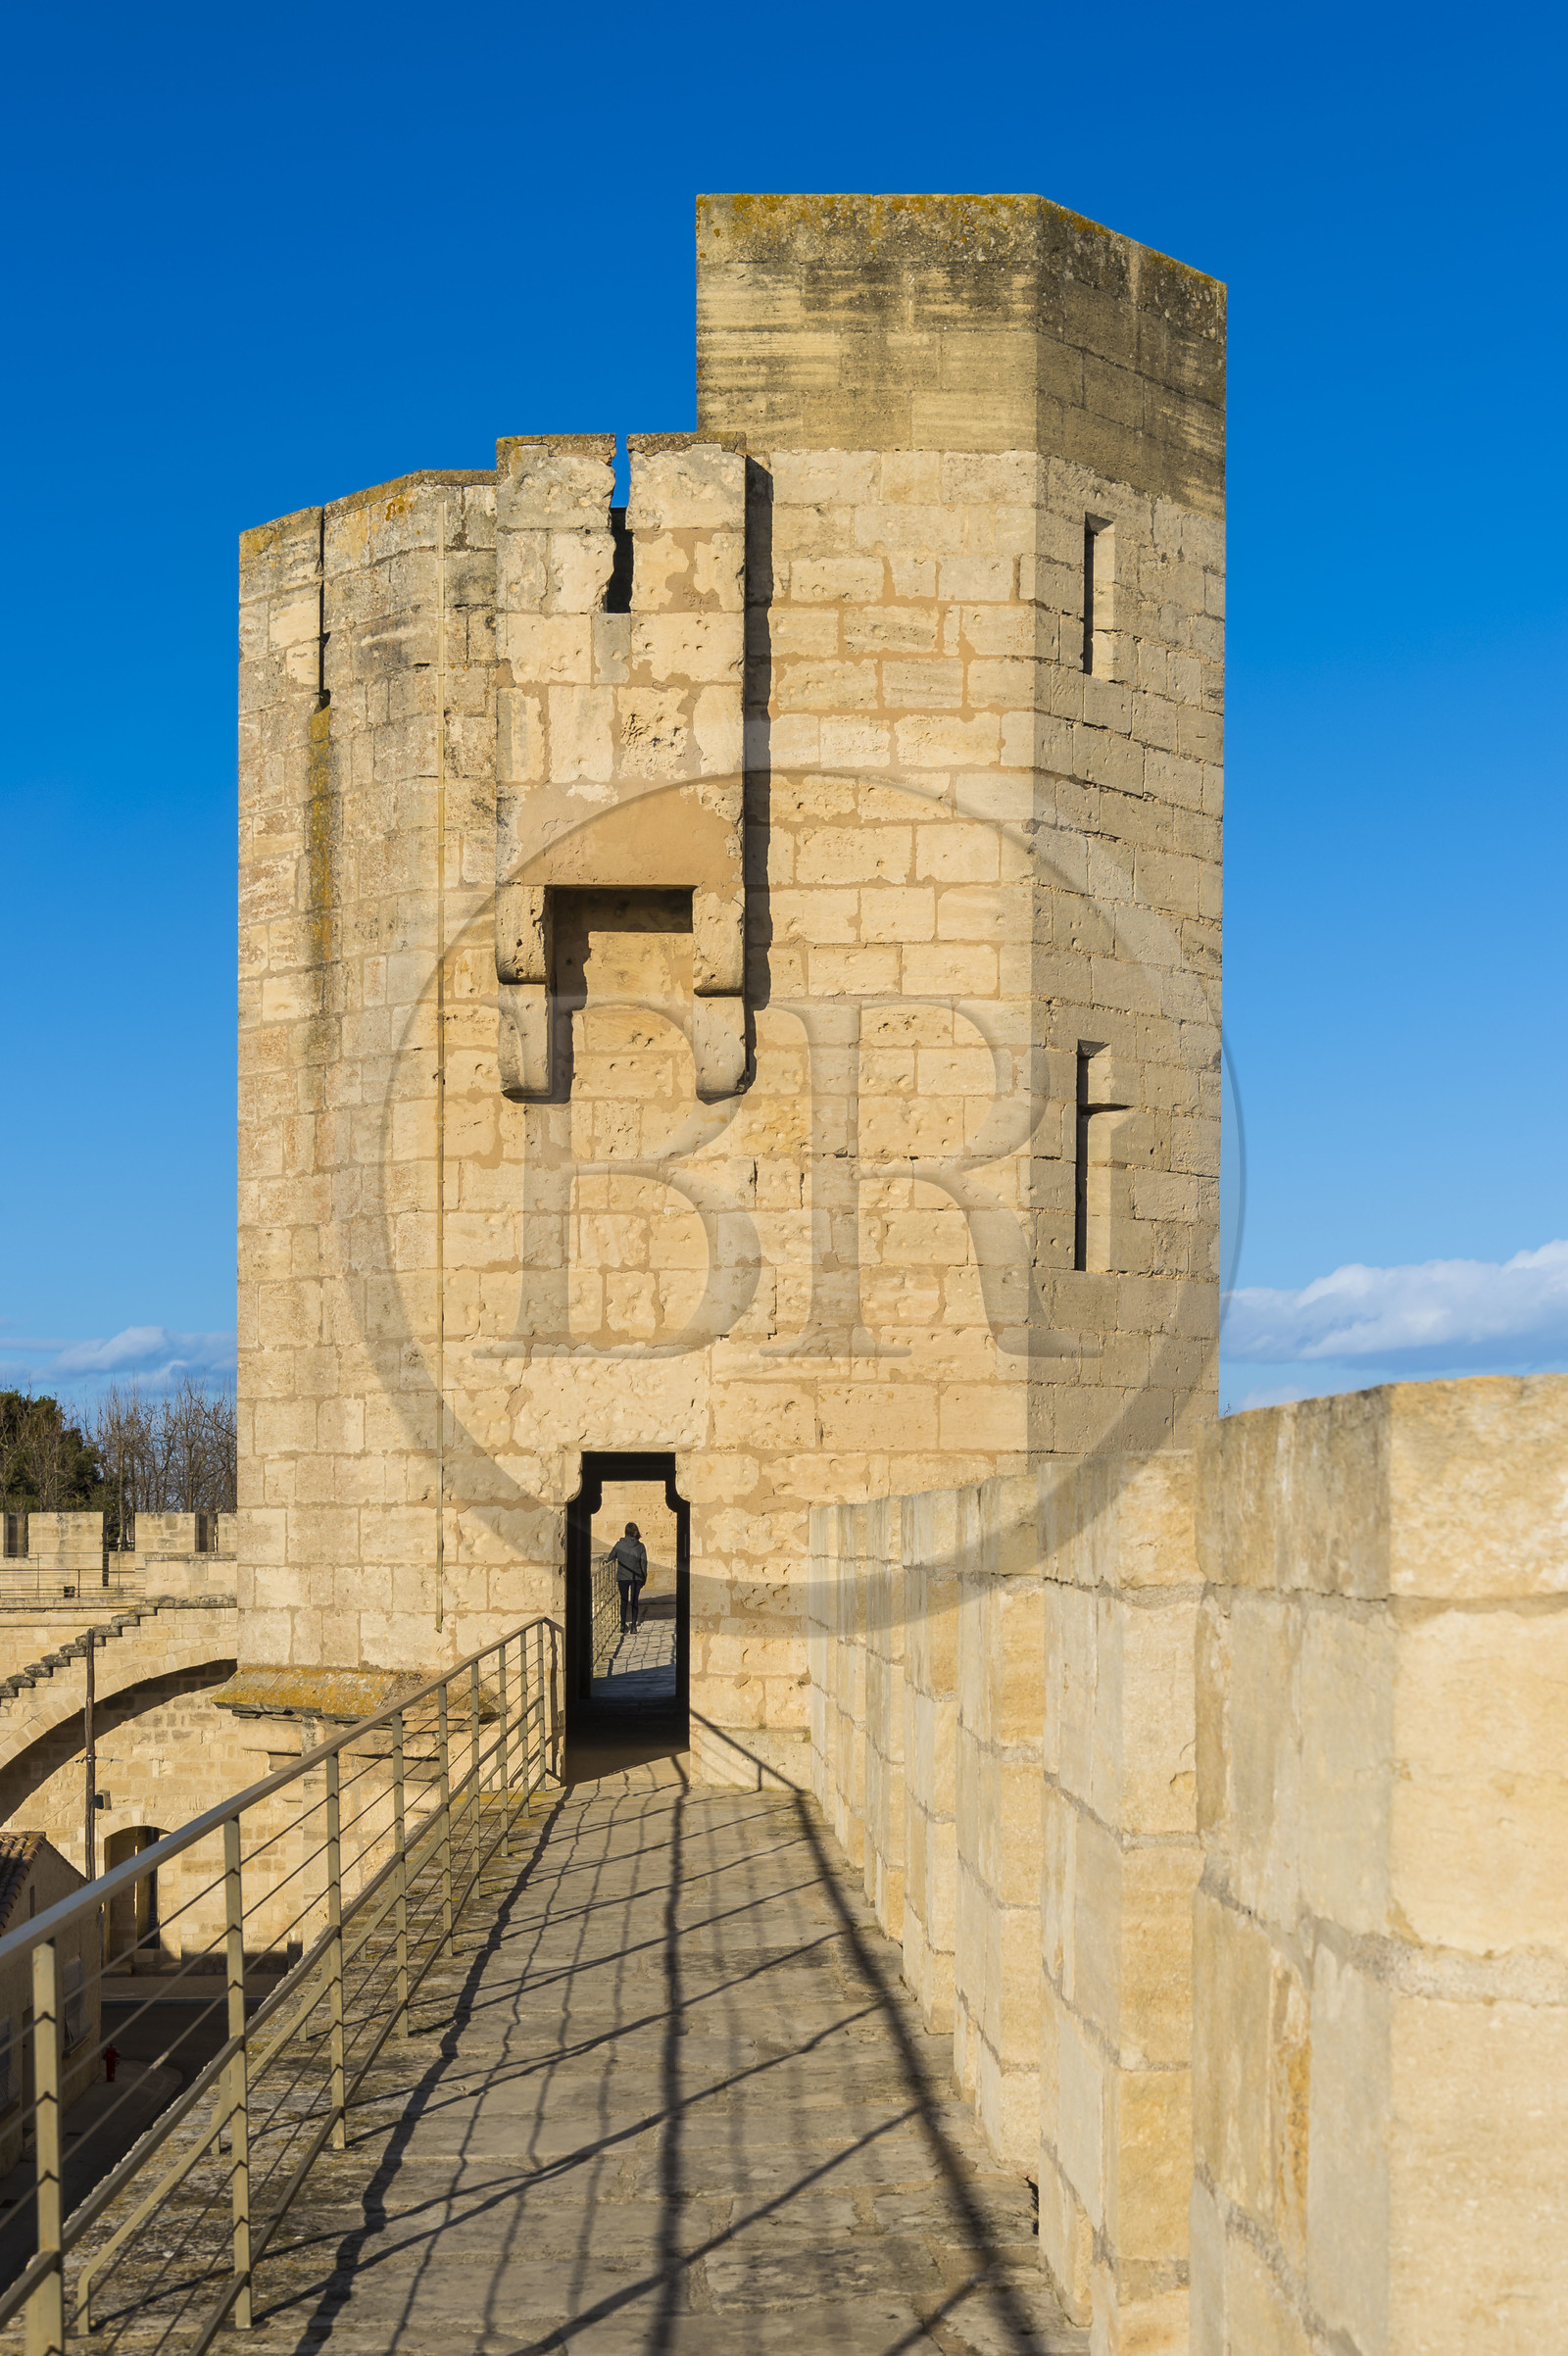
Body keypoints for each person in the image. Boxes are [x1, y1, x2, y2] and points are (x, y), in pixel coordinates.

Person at [610, 1522, 647, 1633]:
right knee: (634, 1601)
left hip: (622, 1576)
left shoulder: (619, 1544)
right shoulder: (640, 1546)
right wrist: (644, 1577)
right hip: (637, 1577)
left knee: (624, 1600)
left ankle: (622, 1625)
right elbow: (644, 1564)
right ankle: (634, 1626)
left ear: (626, 1532)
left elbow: (611, 1557)